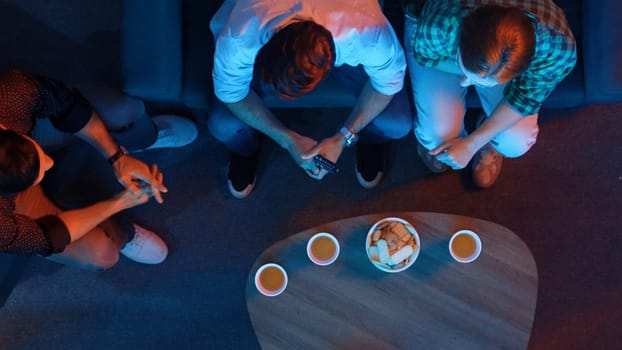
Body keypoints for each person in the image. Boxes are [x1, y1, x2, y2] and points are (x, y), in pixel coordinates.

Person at [208, 0, 412, 198]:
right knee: (223, 124)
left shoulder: (366, 30)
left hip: (348, 34)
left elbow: (387, 84)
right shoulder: (240, 37)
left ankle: (369, 138)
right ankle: (246, 149)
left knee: (396, 122)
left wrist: (344, 137)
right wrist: (287, 139)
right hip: (257, 32)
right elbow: (232, 94)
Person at [0, 69, 196, 270]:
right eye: (37, 173)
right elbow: (46, 238)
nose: (50, 163)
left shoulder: (9, 95)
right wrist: (119, 202)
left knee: (122, 111)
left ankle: (140, 139)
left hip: (31, 127)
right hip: (12, 209)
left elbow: (68, 106)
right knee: (102, 255)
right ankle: (121, 232)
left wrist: (117, 157)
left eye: (41, 158)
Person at [403, 0, 577, 187]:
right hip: (441, 35)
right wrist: (470, 74)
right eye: (467, 76)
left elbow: (526, 97)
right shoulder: (438, 27)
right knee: (435, 137)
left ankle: (488, 136)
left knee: (515, 142)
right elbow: (427, 57)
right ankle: (443, 139)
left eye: (489, 83)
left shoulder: (557, 48)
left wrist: (473, 143)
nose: (464, 83)